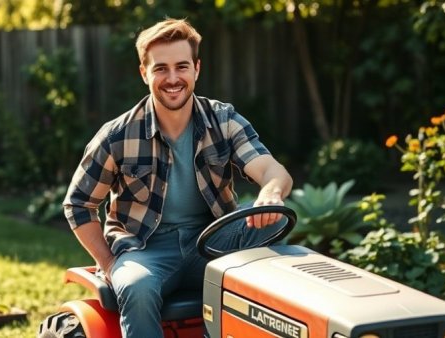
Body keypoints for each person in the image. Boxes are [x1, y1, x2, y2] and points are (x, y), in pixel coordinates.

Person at [62, 18, 293, 338]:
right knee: (137, 287)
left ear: (196, 69)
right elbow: (78, 204)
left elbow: (271, 170)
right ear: (144, 73)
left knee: (277, 220)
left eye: (181, 67)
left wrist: (271, 192)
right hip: (146, 250)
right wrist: (108, 263)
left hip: (214, 240)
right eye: (160, 68)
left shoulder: (223, 120)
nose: (172, 78)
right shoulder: (117, 135)